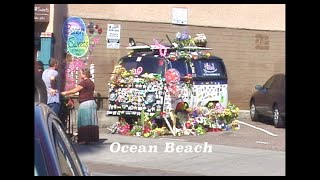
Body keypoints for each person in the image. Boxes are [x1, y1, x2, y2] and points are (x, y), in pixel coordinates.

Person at [61, 68, 99, 144]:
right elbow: (84, 92)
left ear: (84, 74)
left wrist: (65, 93)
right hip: (91, 102)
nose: (80, 75)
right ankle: (91, 138)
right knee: (90, 121)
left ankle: (84, 139)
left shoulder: (84, 82)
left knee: (84, 121)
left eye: (81, 73)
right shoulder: (91, 82)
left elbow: (75, 90)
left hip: (85, 104)